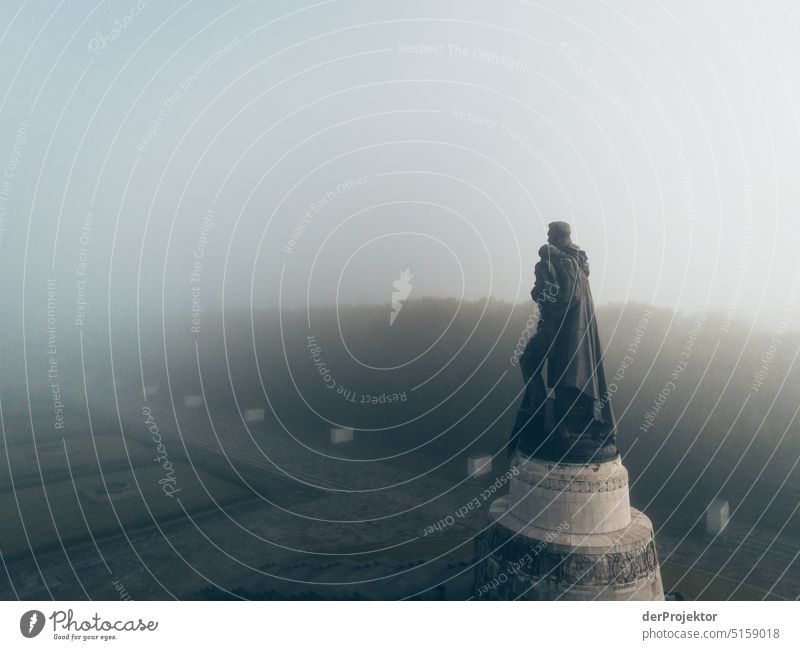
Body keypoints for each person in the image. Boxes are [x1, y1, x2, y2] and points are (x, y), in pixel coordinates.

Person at [508, 222, 615, 458]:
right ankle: (552, 411)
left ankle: (539, 406)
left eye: (550, 234)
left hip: (558, 328)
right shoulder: (578, 261)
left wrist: (538, 293)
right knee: (568, 370)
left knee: (530, 361)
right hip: (577, 329)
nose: (547, 237)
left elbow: (560, 299)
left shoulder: (560, 261)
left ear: (556, 236)